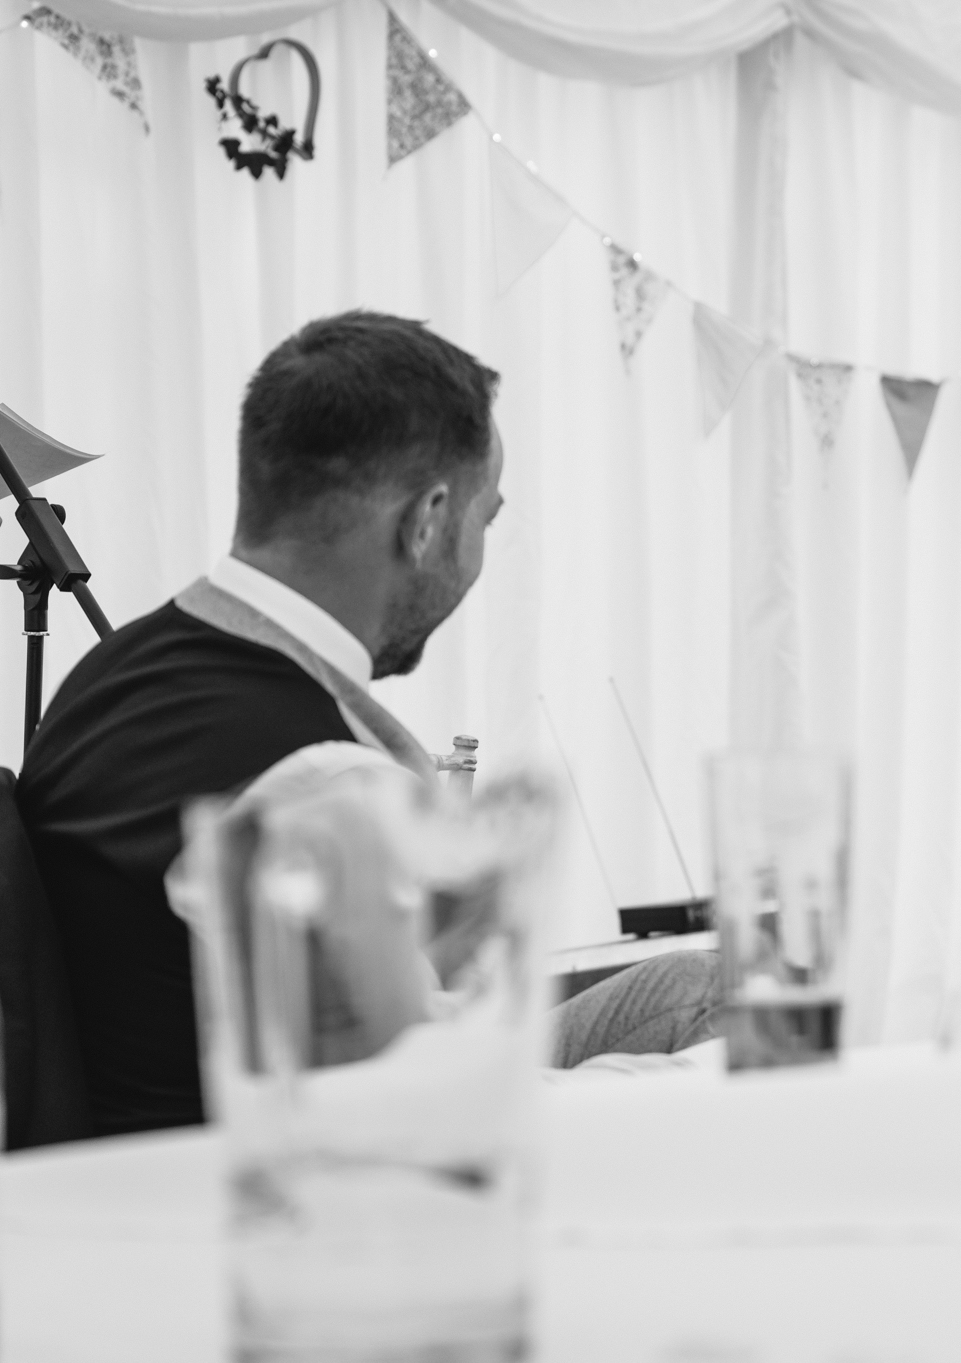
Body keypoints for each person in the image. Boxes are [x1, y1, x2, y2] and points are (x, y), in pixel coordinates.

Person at [16, 311, 715, 1139]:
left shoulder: (112, 673)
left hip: (190, 1104)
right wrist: (712, 1077)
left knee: (703, 981)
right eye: (484, 521)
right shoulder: (323, 780)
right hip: (265, 1181)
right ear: (425, 522)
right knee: (749, 1029)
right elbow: (435, 1121)